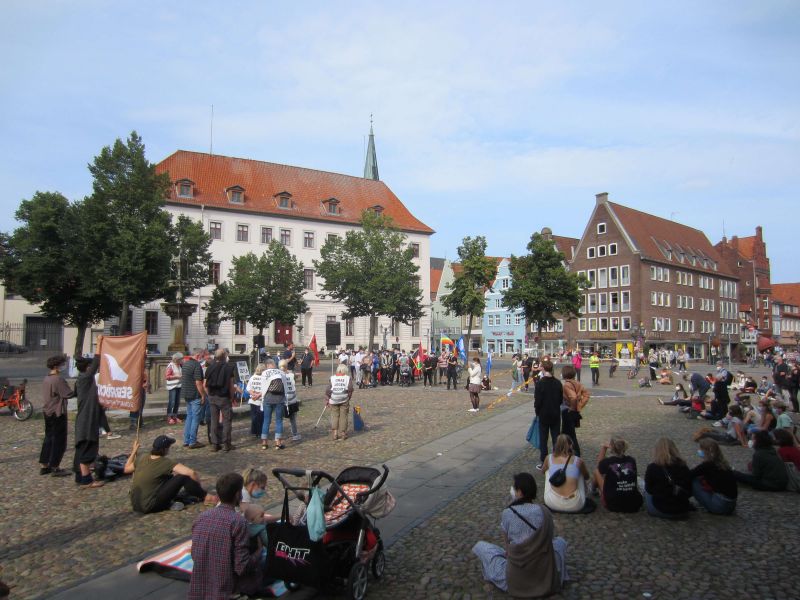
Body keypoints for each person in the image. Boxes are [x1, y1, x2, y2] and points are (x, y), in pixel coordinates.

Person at [472, 472, 567, 596]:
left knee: (482, 547)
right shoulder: (545, 512)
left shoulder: (508, 513)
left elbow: (507, 546)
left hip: (516, 578)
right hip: (543, 574)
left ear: (520, 492)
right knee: (560, 543)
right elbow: (549, 538)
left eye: (515, 488)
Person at [189, 472, 264, 600]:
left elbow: (195, 554)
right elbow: (242, 567)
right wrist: (259, 551)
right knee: (262, 563)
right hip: (225, 590)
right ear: (237, 495)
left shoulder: (202, 517)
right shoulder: (238, 522)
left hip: (198, 589)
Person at [125, 435, 217, 513]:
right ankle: (206, 497)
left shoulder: (143, 457)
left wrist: (133, 451)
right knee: (183, 477)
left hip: (136, 505)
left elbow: (126, 469)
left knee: (170, 477)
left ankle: (179, 498)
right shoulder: (165, 462)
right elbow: (191, 473)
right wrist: (199, 489)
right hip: (149, 506)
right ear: (165, 449)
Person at [39, 354, 75, 477]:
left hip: (47, 411)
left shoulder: (46, 378)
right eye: (62, 364)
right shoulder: (58, 379)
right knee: (59, 440)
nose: (63, 366)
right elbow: (68, 393)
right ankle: (55, 466)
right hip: (57, 412)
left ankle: (44, 465)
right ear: (56, 366)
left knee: (48, 438)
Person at [73, 354, 104, 488]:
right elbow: (96, 363)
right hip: (86, 421)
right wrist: (100, 346)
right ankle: (86, 480)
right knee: (87, 448)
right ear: (88, 368)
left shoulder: (83, 380)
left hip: (86, 419)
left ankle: (80, 476)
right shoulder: (85, 378)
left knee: (82, 449)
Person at [644, 438, 692, 519]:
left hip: (661, 509)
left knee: (646, 489)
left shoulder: (652, 467)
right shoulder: (683, 466)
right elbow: (689, 489)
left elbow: (649, 489)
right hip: (682, 510)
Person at [543, 434, 592, 513]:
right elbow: (586, 477)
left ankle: (555, 492)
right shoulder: (578, 460)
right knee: (579, 471)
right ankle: (584, 492)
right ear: (570, 445)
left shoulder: (549, 458)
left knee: (547, 470)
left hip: (552, 503)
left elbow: (543, 471)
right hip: (575, 504)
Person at [593, 437, 642, 513]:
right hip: (633, 503)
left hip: (613, 504)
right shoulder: (631, 460)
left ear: (612, 448)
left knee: (596, 471)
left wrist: (604, 448)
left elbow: (599, 466)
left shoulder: (608, 462)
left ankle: (593, 489)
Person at [690, 439, 737, 515]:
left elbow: (689, 475)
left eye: (700, 449)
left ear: (706, 452)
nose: (699, 451)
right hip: (731, 505)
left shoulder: (707, 465)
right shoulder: (723, 464)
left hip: (720, 506)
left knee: (693, 481)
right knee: (700, 478)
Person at [204, 348, 236, 452]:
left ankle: (215, 444)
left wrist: (208, 395)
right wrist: (232, 397)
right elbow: (231, 385)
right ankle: (226, 443)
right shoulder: (229, 368)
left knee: (214, 420)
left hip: (212, 396)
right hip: (224, 396)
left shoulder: (209, 368)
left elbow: (205, 384)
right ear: (224, 356)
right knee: (227, 420)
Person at [534, 360, 562, 470]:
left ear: (544, 369)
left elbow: (537, 401)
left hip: (543, 413)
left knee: (543, 439)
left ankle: (544, 462)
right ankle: (557, 460)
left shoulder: (540, 383)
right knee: (556, 438)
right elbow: (560, 399)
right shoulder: (557, 383)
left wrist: (537, 412)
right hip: (555, 413)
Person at [560, 364, 589, 457]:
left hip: (568, 411)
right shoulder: (578, 383)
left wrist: (573, 408)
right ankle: (566, 452)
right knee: (568, 433)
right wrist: (580, 405)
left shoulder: (567, 385)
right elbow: (587, 395)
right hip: (575, 411)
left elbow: (573, 397)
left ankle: (575, 454)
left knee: (569, 434)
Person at [182, 349, 207, 449]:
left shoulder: (186, 364)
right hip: (195, 394)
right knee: (196, 418)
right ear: (197, 355)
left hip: (186, 393)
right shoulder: (196, 365)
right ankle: (192, 441)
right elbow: (198, 382)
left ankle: (186, 440)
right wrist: (203, 395)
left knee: (189, 417)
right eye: (201, 356)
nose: (202, 358)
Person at [260, 359, 287, 450]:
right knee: (279, 421)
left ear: (267, 365)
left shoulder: (264, 373)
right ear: (273, 364)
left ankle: (264, 443)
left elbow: (262, 388)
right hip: (279, 399)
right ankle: (278, 443)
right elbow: (285, 386)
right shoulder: (280, 372)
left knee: (266, 420)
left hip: (268, 398)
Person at [326, 364, 354, 441]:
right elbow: (350, 389)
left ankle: (335, 433)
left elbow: (328, 390)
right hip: (344, 398)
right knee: (343, 416)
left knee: (334, 416)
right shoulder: (347, 378)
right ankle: (343, 433)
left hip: (334, 399)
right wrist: (348, 397)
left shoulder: (332, 378)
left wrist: (327, 399)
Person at [279, 358, 301, 442]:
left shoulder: (278, 375)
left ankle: (279, 436)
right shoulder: (291, 375)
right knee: (292, 419)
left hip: (283, 399)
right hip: (292, 399)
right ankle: (295, 434)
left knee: (279, 419)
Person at [246, 364, 266, 438]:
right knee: (261, 417)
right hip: (260, 401)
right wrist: (258, 395)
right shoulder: (264, 379)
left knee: (254, 417)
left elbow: (248, 388)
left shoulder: (252, 377)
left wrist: (253, 394)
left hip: (252, 400)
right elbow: (265, 389)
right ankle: (260, 432)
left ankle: (254, 431)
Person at [165, 352, 183, 425]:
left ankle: (175, 416)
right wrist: (176, 377)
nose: (182, 360)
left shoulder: (180, 365)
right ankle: (169, 417)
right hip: (172, 386)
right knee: (172, 402)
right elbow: (167, 376)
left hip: (179, 385)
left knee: (177, 402)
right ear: (176, 359)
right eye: (180, 359)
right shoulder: (170, 366)